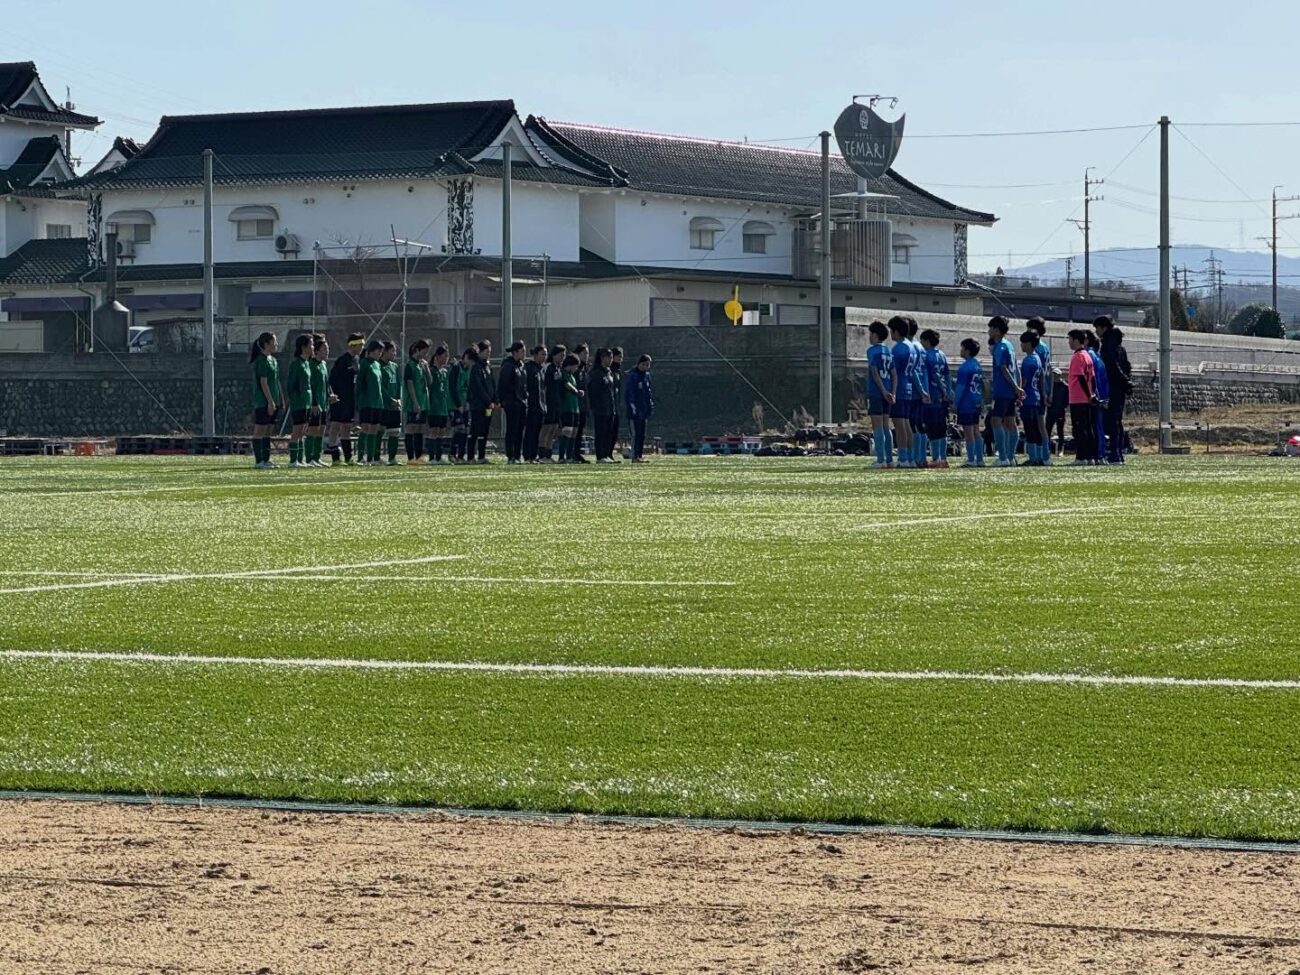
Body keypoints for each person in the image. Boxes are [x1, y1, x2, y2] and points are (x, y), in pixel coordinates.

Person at [1095, 316, 1133, 464]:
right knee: (1117, 421)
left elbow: (1112, 366)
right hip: (1120, 388)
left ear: (1104, 328)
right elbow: (1127, 366)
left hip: (1112, 387)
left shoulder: (1106, 346)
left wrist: (1123, 380)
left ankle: (1114, 453)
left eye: (1098, 328)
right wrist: (1127, 382)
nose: (1096, 331)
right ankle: (1119, 453)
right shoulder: (1120, 346)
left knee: (1111, 421)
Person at [987, 316, 1022, 467]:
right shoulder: (1010, 345)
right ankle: (1010, 457)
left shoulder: (1000, 347)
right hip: (1011, 391)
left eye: (990, 328)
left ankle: (1002, 457)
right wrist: (1018, 387)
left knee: (996, 421)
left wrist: (1016, 387)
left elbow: (1004, 369)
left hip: (1002, 390)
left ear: (996, 330)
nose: (989, 331)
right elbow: (1017, 368)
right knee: (1010, 422)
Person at [327, 332, 363, 465]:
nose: (361, 347)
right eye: (359, 344)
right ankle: (335, 457)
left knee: (347, 427)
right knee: (336, 426)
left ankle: (348, 457)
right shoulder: (342, 360)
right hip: (339, 398)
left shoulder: (357, 360)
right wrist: (333, 395)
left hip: (350, 399)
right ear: (352, 345)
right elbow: (331, 380)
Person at [920, 329, 952, 468]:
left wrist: (942, 390)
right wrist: (947, 392)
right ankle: (943, 458)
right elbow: (947, 375)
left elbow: (935, 376)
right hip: (942, 397)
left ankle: (936, 458)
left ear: (927, 341)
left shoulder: (926, 356)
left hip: (932, 395)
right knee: (942, 427)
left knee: (933, 428)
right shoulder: (942, 355)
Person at [865, 321, 894, 469]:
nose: (869, 337)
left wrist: (883, 391)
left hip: (877, 392)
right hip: (889, 391)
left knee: (877, 427)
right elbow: (894, 374)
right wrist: (892, 392)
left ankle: (881, 460)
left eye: (871, 334)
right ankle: (889, 460)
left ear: (875, 335)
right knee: (886, 426)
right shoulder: (888, 351)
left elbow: (875, 374)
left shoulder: (872, 351)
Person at [887, 318, 915, 468]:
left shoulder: (898, 348)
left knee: (899, 425)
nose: (890, 334)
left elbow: (893, 372)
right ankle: (910, 458)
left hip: (899, 388)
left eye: (891, 331)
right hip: (908, 387)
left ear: (896, 331)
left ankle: (903, 458)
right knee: (906, 423)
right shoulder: (911, 346)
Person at [1067, 329, 1098, 465]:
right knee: (1087, 427)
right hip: (1086, 399)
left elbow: (1081, 377)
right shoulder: (1087, 355)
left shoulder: (1077, 356)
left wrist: (1088, 394)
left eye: (1070, 339)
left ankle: (1081, 457)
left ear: (1076, 340)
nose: (1069, 342)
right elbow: (1092, 378)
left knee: (1079, 429)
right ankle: (1090, 456)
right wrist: (1093, 393)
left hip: (1078, 398)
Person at [249, 331, 279, 469]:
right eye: (274, 342)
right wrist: (270, 401)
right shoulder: (261, 360)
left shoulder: (273, 360)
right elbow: (263, 382)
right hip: (263, 401)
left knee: (268, 430)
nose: (276, 344)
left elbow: (275, 381)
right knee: (260, 430)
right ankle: (259, 461)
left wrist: (278, 400)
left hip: (274, 400)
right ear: (266, 344)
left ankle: (266, 459)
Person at [284, 333, 314, 468]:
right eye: (311, 345)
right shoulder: (296, 364)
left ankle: (300, 459)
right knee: (297, 431)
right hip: (299, 403)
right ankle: (293, 460)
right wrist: (295, 398)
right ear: (303, 347)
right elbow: (291, 385)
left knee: (303, 431)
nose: (313, 347)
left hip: (307, 402)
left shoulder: (307, 363)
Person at [954, 338, 985, 467]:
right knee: (976, 430)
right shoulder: (978, 365)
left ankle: (971, 459)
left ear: (967, 350)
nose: (960, 351)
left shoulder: (964, 367)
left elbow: (960, 388)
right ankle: (980, 459)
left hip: (966, 402)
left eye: (962, 348)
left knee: (968, 432)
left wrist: (955, 403)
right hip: (976, 400)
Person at [497, 339, 529, 464]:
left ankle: (517, 455)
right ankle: (510, 455)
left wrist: (525, 396)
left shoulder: (521, 365)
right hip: (511, 402)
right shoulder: (508, 365)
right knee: (512, 429)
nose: (524, 353)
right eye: (522, 351)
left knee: (520, 429)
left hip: (521, 402)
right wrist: (501, 400)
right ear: (515, 352)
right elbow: (503, 384)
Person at [1026, 317, 1053, 462]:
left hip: (1038, 390)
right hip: (1044, 388)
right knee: (1039, 423)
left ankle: (1044, 455)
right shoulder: (1045, 347)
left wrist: (1044, 393)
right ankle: (1042, 455)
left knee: (1039, 423)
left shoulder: (1038, 348)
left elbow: (1041, 372)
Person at [355, 339, 385, 465]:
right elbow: (359, 384)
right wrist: (358, 401)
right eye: (378, 351)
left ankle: (371, 458)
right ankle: (360, 457)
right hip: (367, 402)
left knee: (374, 429)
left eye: (381, 352)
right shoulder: (364, 363)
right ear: (371, 351)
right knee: (365, 428)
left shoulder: (377, 364)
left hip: (378, 402)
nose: (380, 354)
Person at [906, 318, 931, 467]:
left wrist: (921, 390)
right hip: (922, 390)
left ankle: (913, 458)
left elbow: (913, 371)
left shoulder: (910, 347)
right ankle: (921, 457)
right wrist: (925, 390)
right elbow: (925, 371)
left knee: (911, 425)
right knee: (920, 425)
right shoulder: (921, 347)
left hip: (913, 390)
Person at [1019, 330, 1047, 466]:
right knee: (1036, 428)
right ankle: (1040, 456)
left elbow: (1024, 382)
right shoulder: (1038, 359)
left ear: (1029, 344)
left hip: (1028, 398)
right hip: (1036, 397)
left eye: (1023, 343)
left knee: (1029, 428)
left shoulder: (1027, 361)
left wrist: (1018, 395)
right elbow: (1041, 378)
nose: (1021, 345)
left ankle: (1033, 457)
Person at [467, 340, 496, 464]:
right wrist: (487, 400)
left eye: (489, 352)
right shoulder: (476, 367)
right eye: (486, 352)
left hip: (488, 407)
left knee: (484, 429)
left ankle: (481, 456)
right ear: (480, 352)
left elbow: (492, 384)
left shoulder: (488, 366)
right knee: (475, 429)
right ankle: (470, 456)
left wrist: (495, 399)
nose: (488, 354)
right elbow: (478, 387)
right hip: (478, 406)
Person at [307, 334, 333, 467]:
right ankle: (309, 458)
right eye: (324, 349)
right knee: (313, 430)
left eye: (327, 348)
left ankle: (316, 457)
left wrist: (330, 395)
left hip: (324, 404)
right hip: (315, 404)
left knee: (321, 430)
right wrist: (314, 403)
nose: (327, 351)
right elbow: (310, 386)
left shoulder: (323, 364)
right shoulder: (311, 365)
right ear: (316, 351)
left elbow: (326, 384)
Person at [588, 347, 618, 462]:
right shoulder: (596, 373)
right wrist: (595, 406)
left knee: (609, 433)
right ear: (602, 358)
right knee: (600, 432)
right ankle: (600, 456)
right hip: (600, 408)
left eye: (611, 357)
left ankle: (606, 454)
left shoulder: (609, 372)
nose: (610, 360)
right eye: (608, 357)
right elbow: (594, 392)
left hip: (610, 407)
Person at [404, 339, 431, 464]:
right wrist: (415, 403)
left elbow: (430, 381)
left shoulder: (422, 364)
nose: (426, 355)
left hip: (423, 401)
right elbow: (410, 385)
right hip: (413, 402)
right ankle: (410, 458)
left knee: (420, 428)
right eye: (424, 351)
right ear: (417, 350)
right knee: (411, 427)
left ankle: (419, 456)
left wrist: (427, 368)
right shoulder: (410, 365)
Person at [1085, 330, 1110, 465]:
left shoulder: (1088, 355)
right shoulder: (1098, 356)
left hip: (1092, 396)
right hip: (1101, 395)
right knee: (1099, 426)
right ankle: (1101, 455)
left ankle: (1094, 454)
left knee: (1091, 426)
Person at [540, 344, 567, 463]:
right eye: (561, 355)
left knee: (554, 428)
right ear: (554, 355)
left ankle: (548, 453)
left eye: (564, 356)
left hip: (557, 403)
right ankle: (541, 454)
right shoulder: (548, 368)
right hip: (548, 402)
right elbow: (544, 387)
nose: (562, 358)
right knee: (546, 428)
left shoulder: (559, 369)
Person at [555, 353, 584, 462]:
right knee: (567, 431)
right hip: (566, 407)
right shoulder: (563, 373)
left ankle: (570, 456)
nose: (576, 368)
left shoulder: (572, 376)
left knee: (574, 432)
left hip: (575, 407)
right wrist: (576, 391)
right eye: (575, 366)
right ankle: (561, 456)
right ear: (571, 365)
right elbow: (566, 384)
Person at [625, 354, 654, 462]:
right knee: (636, 434)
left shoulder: (647, 376)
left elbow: (648, 393)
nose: (646, 367)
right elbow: (630, 392)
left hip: (644, 409)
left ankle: (639, 455)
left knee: (642, 434)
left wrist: (650, 405)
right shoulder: (633, 375)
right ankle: (634, 456)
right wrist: (632, 405)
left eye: (648, 365)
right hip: (635, 410)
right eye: (644, 364)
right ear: (639, 364)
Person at [426, 345, 451, 465]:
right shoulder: (432, 371)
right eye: (444, 356)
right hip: (434, 407)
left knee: (442, 431)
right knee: (434, 431)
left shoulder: (445, 372)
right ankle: (432, 458)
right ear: (437, 357)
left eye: (447, 356)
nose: (446, 358)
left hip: (443, 406)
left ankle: (439, 457)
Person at [523, 345, 548, 463]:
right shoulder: (529, 368)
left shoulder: (541, 369)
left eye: (545, 354)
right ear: (535, 355)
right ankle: (527, 455)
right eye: (542, 354)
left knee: (537, 432)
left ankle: (533, 455)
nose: (545, 356)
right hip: (531, 405)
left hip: (540, 406)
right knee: (530, 431)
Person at [380, 341, 402, 466]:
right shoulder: (378, 366)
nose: (395, 353)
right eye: (392, 351)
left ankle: (392, 458)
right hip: (383, 405)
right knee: (379, 430)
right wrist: (390, 400)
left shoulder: (395, 366)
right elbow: (380, 387)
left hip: (395, 405)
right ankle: (376, 457)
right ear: (384, 351)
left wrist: (398, 399)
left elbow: (398, 385)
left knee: (395, 431)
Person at [448, 347, 473, 463]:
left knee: (466, 429)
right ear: (466, 357)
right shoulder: (456, 368)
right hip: (454, 405)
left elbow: (469, 388)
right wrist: (458, 405)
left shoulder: (468, 369)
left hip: (464, 403)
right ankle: (452, 453)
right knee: (459, 428)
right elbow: (452, 388)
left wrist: (467, 402)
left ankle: (461, 455)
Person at [571, 343, 591, 462]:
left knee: (580, 431)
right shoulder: (575, 370)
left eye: (587, 353)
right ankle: (572, 453)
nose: (586, 356)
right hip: (575, 405)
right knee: (574, 431)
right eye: (584, 353)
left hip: (583, 405)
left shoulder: (585, 369)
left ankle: (577, 453)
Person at [1046, 367, 1068, 456]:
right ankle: (1047, 449)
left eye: (1056, 375)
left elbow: (1067, 400)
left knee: (1060, 431)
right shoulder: (1050, 386)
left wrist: (1062, 407)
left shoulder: (1065, 386)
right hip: (1051, 411)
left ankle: (1060, 449)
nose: (1054, 377)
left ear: (1059, 375)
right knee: (1047, 430)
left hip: (1060, 412)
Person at [609, 347, 625, 461]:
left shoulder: (618, 371)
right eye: (618, 356)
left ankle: (610, 453)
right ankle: (605, 453)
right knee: (608, 431)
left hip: (616, 405)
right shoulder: (609, 370)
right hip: (610, 405)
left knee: (615, 431)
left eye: (621, 357)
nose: (620, 359)